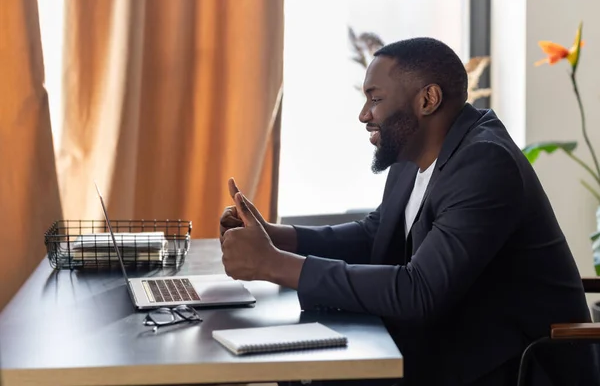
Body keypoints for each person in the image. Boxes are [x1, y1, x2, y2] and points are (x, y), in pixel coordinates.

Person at [219, 37, 600, 386]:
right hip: (453, 343)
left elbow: (420, 291)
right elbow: (376, 233)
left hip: (513, 366)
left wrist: (272, 264)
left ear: (427, 99)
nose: (364, 114)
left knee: (313, 372)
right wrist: (273, 236)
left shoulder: (485, 163)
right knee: (305, 367)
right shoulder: (412, 155)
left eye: (375, 98)